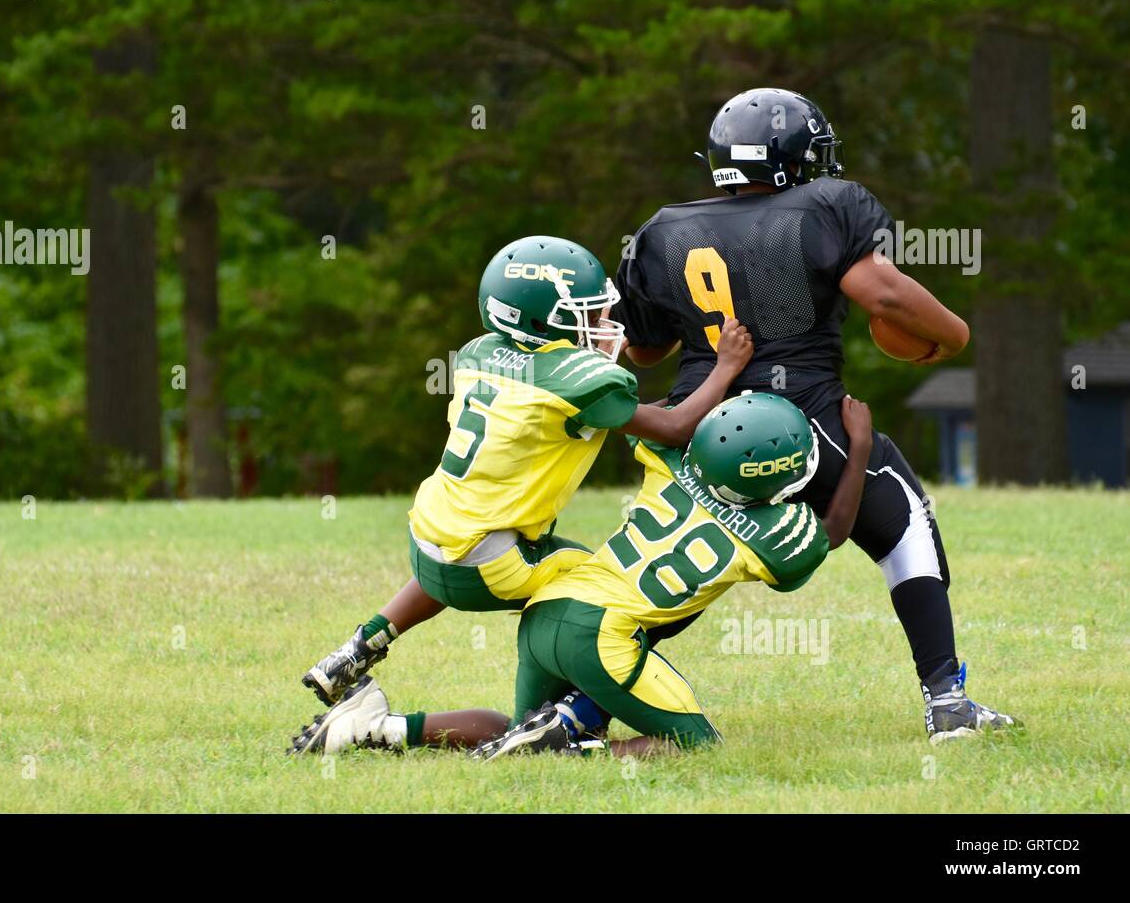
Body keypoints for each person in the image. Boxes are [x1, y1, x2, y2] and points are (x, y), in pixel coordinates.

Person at [611, 88, 1016, 742]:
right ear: (792, 158)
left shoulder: (662, 228)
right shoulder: (828, 203)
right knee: (905, 524)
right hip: (803, 418)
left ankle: (576, 707)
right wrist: (955, 334)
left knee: (682, 571)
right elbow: (878, 290)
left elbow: (645, 345)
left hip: (701, 427)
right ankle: (946, 699)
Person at [296, 236, 753, 739]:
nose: (603, 326)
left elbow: (563, 386)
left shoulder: (478, 352)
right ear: (543, 322)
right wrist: (725, 367)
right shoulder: (580, 380)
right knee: (605, 595)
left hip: (428, 543)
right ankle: (570, 716)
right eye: (589, 315)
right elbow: (675, 427)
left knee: (467, 552)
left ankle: (362, 649)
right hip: (489, 563)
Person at [290, 392, 871, 758]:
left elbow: (671, 427)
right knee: (692, 744)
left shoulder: (668, 467)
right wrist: (862, 447)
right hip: (604, 636)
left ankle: (379, 730)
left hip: (547, 607)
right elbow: (836, 528)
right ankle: (571, 746)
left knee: (512, 729)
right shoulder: (772, 533)